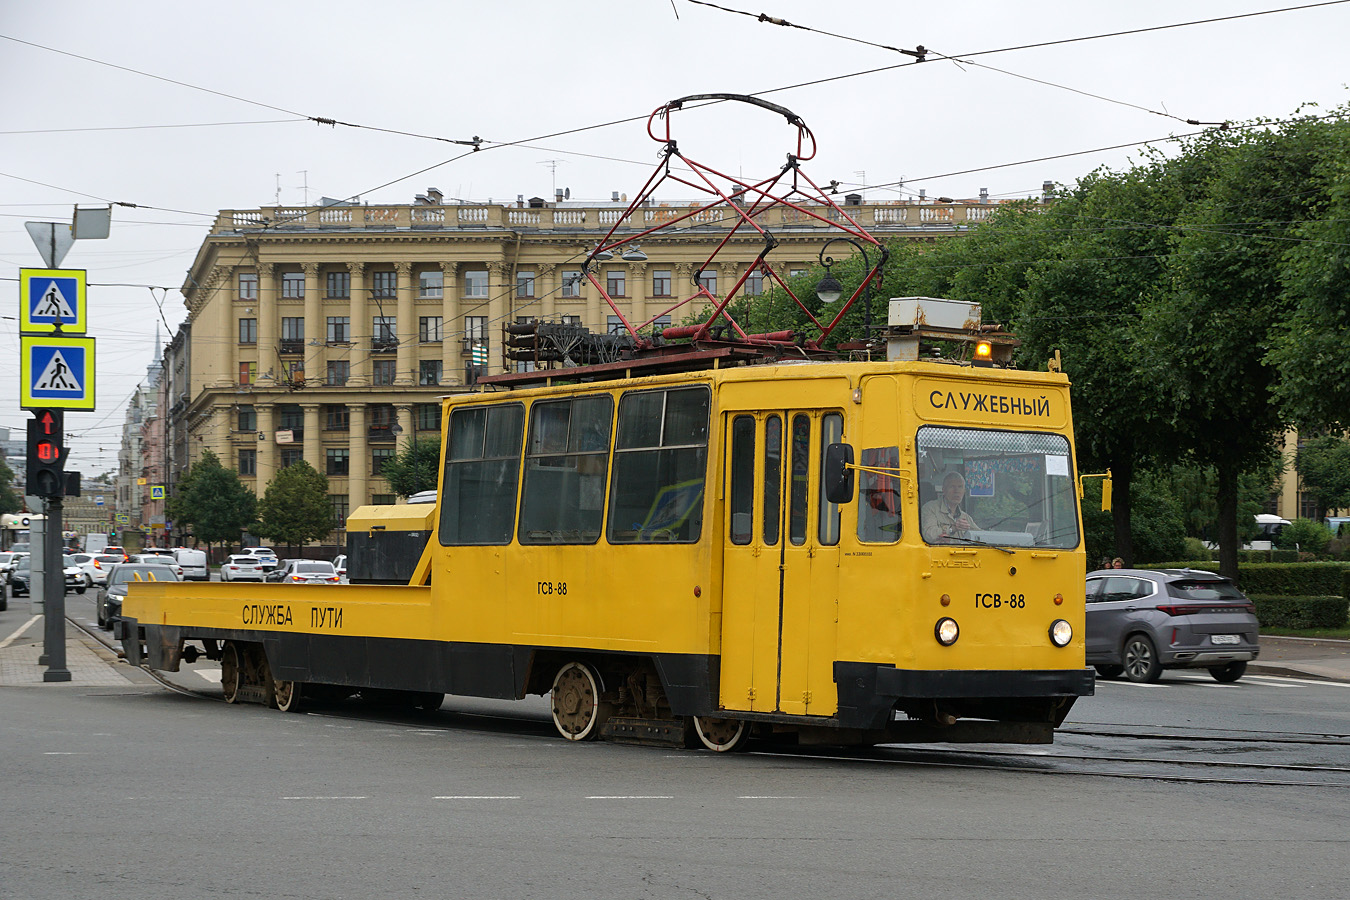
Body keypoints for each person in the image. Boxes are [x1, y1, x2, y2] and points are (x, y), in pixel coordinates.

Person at [921, 471, 980, 543]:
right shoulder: (930, 509)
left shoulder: (965, 517)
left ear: (964, 491)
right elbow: (928, 534)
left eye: (960, 487)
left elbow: (982, 535)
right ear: (944, 490)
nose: (957, 491)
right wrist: (952, 529)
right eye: (952, 486)